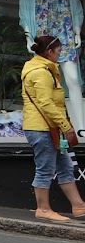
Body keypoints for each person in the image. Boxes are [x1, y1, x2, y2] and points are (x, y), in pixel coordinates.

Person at [22, 34, 85, 223]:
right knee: (45, 169)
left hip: (48, 127)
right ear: (49, 52)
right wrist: (66, 126)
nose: (60, 55)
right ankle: (43, 208)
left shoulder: (44, 68)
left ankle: (79, 206)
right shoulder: (41, 72)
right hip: (42, 128)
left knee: (65, 166)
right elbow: (46, 103)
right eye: (58, 52)